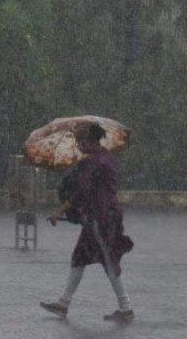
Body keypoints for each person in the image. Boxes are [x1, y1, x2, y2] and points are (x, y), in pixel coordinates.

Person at [40, 123, 135, 322]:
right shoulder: (105, 157)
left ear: (90, 141)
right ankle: (63, 303)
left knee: (109, 260)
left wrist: (59, 212)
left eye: (80, 141)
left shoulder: (92, 163)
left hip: (100, 218)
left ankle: (125, 308)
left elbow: (79, 193)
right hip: (106, 215)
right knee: (79, 257)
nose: (78, 145)